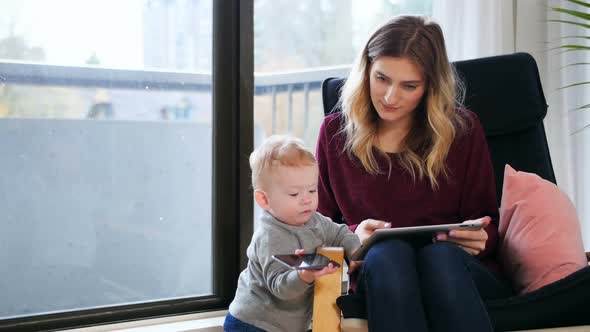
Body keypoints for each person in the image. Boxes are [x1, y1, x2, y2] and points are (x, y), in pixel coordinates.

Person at [316, 15, 513, 332]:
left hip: (456, 272)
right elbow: (318, 227)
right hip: (380, 271)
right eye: (381, 78)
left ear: (430, 87)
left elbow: (486, 222)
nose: (390, 97)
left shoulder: (461, 132)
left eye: (409, 86)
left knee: (439, 259)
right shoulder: (335, 134)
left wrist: (480, 238)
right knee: (389, 254)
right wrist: (353, 236)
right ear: (365, 69)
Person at [225, 135, 361, 332]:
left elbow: (340, 232)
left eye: (312, 191)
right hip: (255, 323)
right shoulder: (271, 236)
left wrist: (355, 251)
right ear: (264, 200)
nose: (306, 200)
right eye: (294, 194)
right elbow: (280, 287)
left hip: (289, 324)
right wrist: (305, 275)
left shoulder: (314, 220)